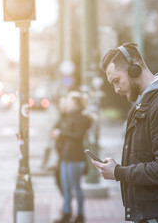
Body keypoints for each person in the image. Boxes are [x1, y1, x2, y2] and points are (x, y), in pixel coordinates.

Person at [91, 42, 158, 223]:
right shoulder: (150, 104)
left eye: (116, 80)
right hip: (152, 214)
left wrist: (119, 172)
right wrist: (117, 167)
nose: (116, 89)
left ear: (134, 71)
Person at [51, 91, 92, 223]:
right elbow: (60, 127)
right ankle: (66, 214)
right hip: (65, 156)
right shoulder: (68, 115)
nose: (66, 102)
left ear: (75, 102)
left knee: (76, 187)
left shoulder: (83, 117)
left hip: (76, 157)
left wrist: (61, 133)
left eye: (68, 100)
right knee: (66, 187)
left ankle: (80, 215)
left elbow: (78, 135)